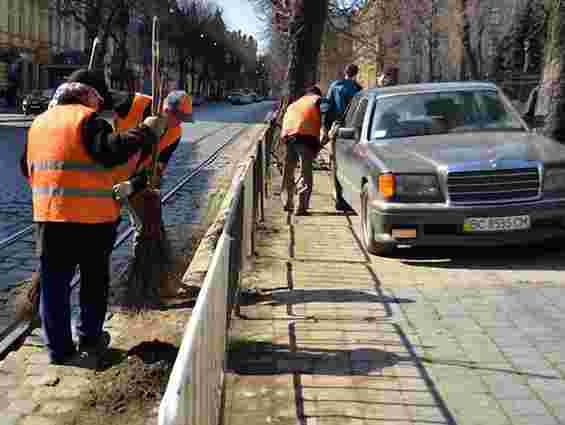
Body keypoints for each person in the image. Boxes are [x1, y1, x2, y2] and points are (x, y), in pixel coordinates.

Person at [22, 68, 167, 367]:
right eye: (99, 100)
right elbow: (110, 151)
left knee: (55, 285)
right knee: (92, 282)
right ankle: (89, 338)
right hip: (91, 221)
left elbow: (27, 167)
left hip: (49, 217)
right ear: (88, 97)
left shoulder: (38, 123)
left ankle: (59, 350)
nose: (102, 107)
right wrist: (146, 132)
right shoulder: (88, 121)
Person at [280, 86, 324, 216]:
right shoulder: (318, 100)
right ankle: (301, 206)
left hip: (288, 136)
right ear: (317, 94)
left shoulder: (296, 103)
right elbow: (327, 115)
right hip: (305, 136)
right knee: (305, 171)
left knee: (289, 169)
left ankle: (287, 202)